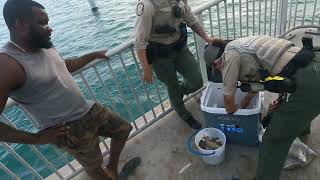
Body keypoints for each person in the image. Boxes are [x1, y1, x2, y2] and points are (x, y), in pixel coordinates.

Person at [0, 1, 140, 180]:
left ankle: (112, 168)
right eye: (42, 22)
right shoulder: (7, 64)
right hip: (69, 129)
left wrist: (91, 55)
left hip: (88, 109)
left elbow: (62, 65)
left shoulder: (42, 44)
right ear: (20, 23)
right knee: (94, 168)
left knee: (123, 130)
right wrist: (36, 139)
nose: (49, 28)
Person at [204, 35, 320, 180]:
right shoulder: (239, 44)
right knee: (296, 110)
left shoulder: (228, 57)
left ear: (216, 62)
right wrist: (247, 99)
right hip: (311, 59)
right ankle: (301, 128)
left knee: (273, 140)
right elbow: (267, 73)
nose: (218, 71)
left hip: (312, 81)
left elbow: (228, 101)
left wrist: (233, 110)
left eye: (215, 68)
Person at [134, 0, 222, 129]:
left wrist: (207, 38)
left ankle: (178, 93)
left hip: (180, 49)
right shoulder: (147, 5)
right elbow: (139, 41)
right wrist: (146, 68)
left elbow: (191, 19)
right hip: (160, 57)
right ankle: (184, 114)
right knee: (172, 85)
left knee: (196, 80)